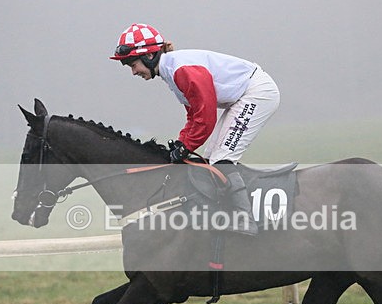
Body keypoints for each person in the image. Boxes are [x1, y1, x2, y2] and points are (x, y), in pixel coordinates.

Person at [110, 23, 281, 234]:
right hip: (242, 97)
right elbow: (193, 115)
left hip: (257, 93)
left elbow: (206, 118)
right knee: (210, 159)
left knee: (222, 160)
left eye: (133, 64)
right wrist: (182, 143)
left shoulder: (182, 70)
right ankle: (223, 213)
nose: (133, 72)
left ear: (149, 56)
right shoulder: (171, 71)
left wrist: (186, 147)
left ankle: (245, 219)